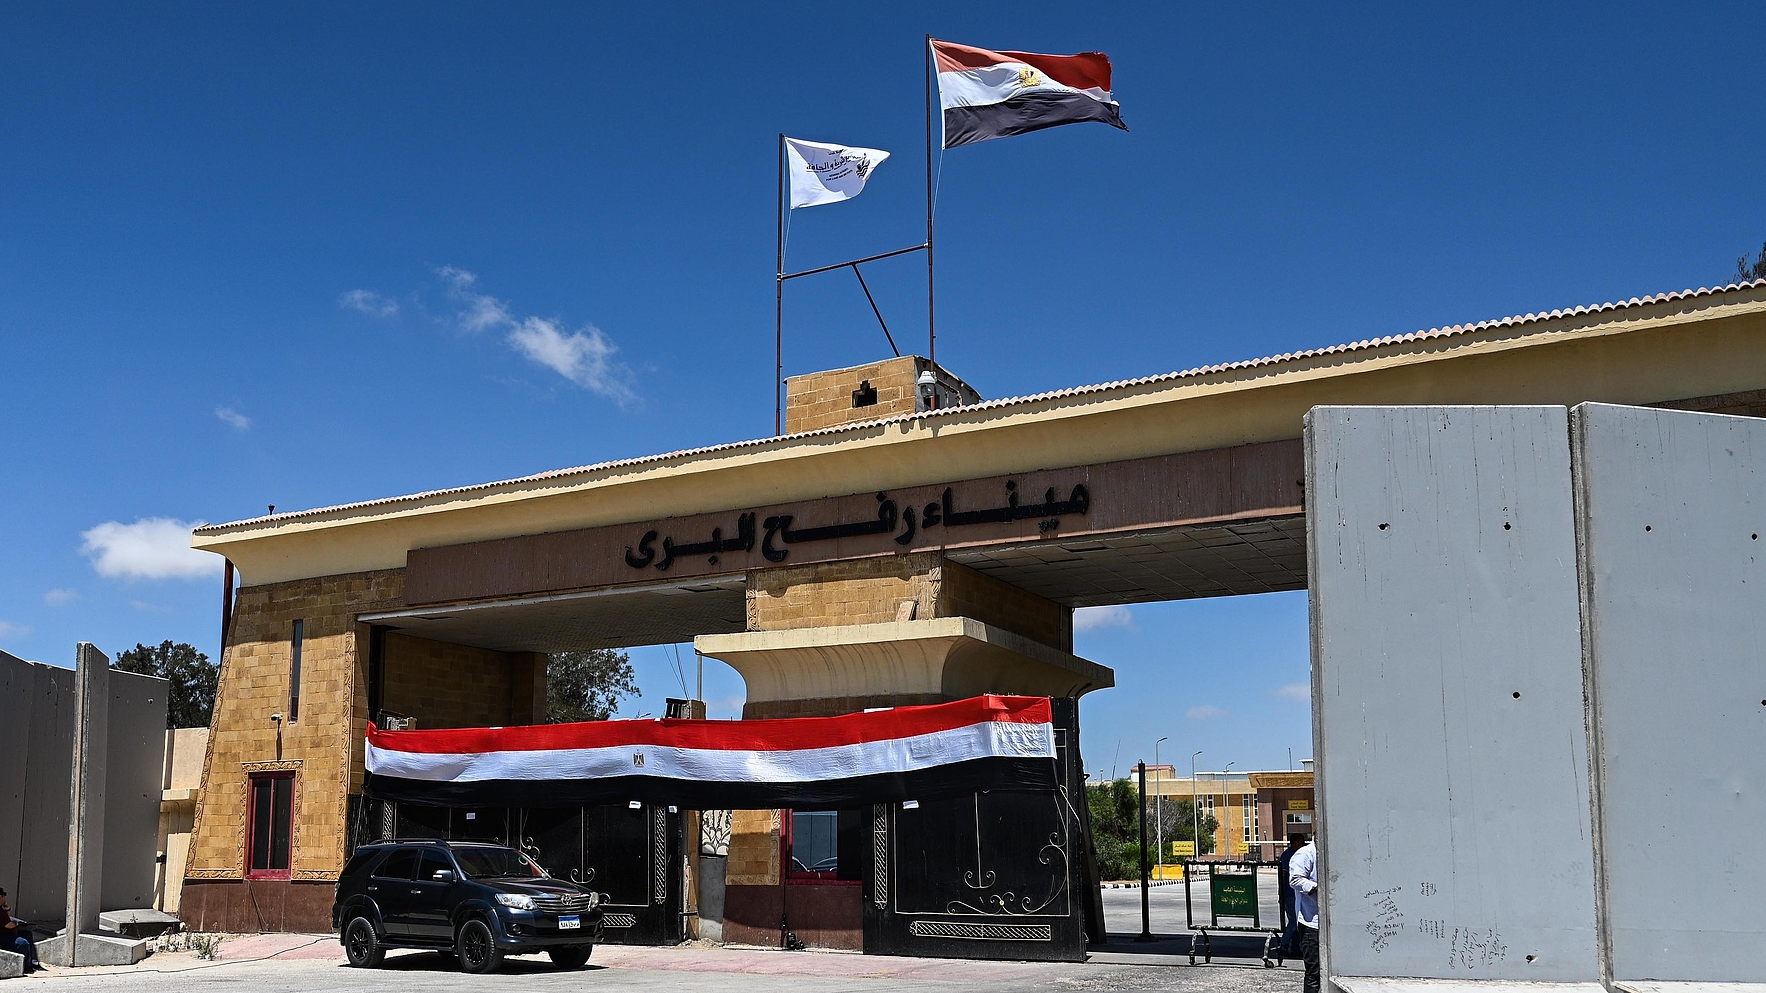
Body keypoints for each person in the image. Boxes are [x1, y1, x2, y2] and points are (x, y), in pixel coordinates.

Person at [1289, 838, 1320, 993]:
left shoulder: (1330, 852)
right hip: (1311, 921)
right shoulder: (1306, 854)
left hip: (1329, 922)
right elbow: (1295, 879)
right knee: (1314, 971)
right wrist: (1318, 888)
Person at [0, 887, 43, 973]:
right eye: (4, 895)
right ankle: (26, 967)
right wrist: (17, 923)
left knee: (27, 934)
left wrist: (7, 911)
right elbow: (9, 925)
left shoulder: (1, 909)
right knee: (23, 943)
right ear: (0, 896)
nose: (5, 897)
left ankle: (33, 962)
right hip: (4, 937)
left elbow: (6, 920)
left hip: (9, 934)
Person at [1277, 832, 1307, 955]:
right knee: (1294, 921)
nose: (1303, 844)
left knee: (1298, 922)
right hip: (1290, 894)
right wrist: (1282, 894)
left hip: (1296, 893)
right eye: (1301, 842)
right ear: (1295, 842)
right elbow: (1282, 876)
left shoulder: (1297, 854)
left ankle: (1295, 947)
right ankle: (1283, 945)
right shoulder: (1288, 856)